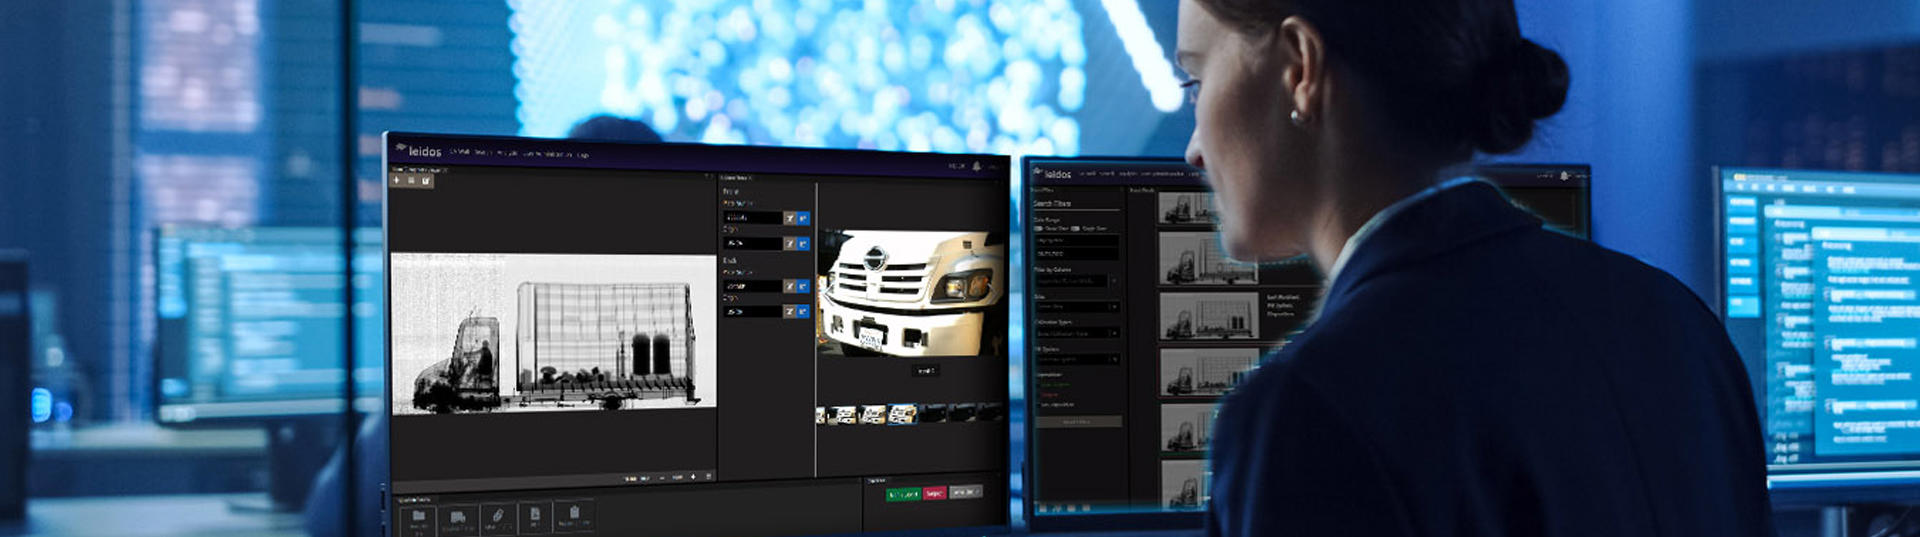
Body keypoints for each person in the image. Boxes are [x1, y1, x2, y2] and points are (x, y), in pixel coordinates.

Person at [1171, 0, 1774, 535]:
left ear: (1300, 67)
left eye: (1196, 78)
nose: (1194, 146)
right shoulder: (1679, 322)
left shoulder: (1310, 406)